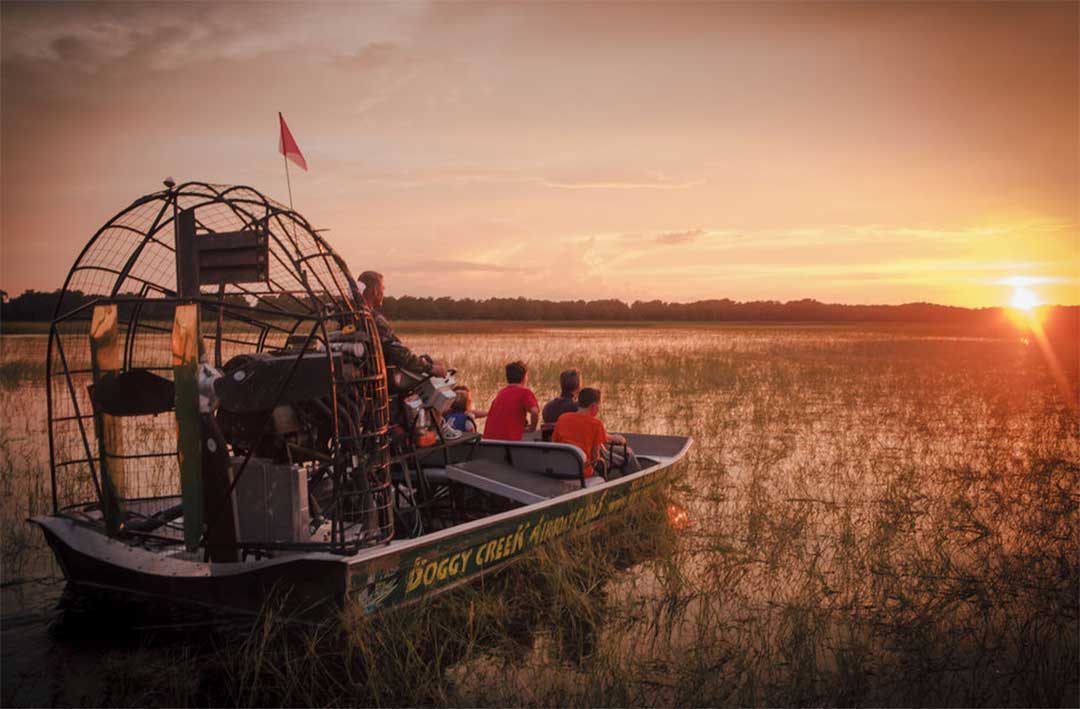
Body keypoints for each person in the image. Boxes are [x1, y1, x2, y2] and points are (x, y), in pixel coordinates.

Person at [358, 271, 446, 378]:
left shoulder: (351, 317)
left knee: (434, 362)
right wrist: (429, 368)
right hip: (384, 378)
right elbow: (398, 353)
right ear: (375, 291)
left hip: (365, 376)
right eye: (383, 288)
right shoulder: (374, 319)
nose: (383, 291)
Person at [552, 387, 641, 477]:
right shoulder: (596, 424)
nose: (599, 409)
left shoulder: (562, 418)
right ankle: (636, 480)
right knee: (625, 455)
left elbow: (555, 443)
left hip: (562, 467)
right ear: (593, 406)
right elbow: (595, 458)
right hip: (583, 470)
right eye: (599, 406)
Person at [482, 360, 539, 441]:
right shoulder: (525, 392)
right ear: (524, 377)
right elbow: (534, 411)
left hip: (489, 441)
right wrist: (532, 428)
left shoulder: (501, 393)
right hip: (508, 443)